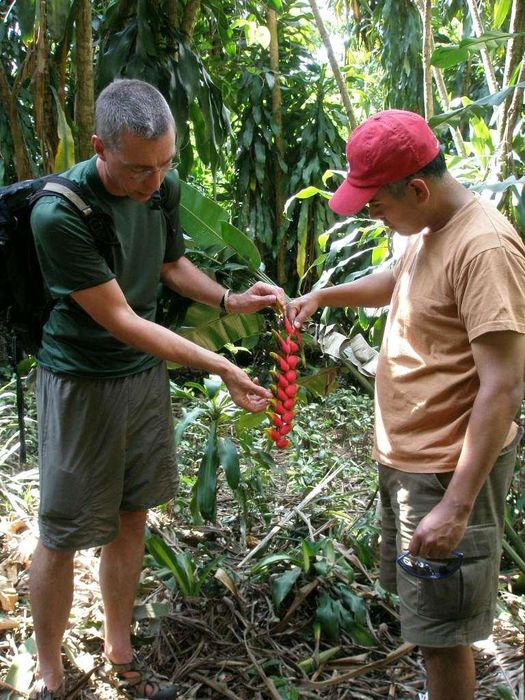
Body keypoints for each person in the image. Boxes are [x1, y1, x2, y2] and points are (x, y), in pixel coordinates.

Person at [28, 78, 284, 699]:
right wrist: (220, 364)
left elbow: (170, 266)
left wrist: (227, 298)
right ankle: (49, 668)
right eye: (140, 169)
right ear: (100, 147)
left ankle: (120, 649)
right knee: (62, 532)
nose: (154, 182)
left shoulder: (162, 186)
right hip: (81, 380)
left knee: (132, 512)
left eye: (166, 164)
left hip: (140, 378)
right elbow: (122, 320)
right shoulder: (58, 213)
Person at [287, 109, 525, 700]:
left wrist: (456, 505)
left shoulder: (485, 247)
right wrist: (320, 295)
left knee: (444, 634)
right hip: (412, 464)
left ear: (417, 188)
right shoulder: (428, 232)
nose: (373, 214)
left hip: (447, 470)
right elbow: (395, 279)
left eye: (376, 205)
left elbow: (503, 386)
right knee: (427, 620)